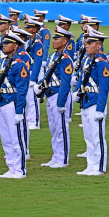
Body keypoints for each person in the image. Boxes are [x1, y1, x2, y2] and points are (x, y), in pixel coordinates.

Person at [0, 32, 29, 178]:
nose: (4, 45)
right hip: (2, 101)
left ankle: (19, 170)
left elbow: (22, 90)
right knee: (6, 139)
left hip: (12, 103)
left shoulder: (20, 65)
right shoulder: (3, 62)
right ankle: (11, 167)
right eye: (4, 42)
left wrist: (19, 111)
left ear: (16, 46)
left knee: (16, 138)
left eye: (8, 43)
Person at [35, 26, 74, 168]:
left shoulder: (65, 59)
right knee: (54, 129)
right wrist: (39, 86)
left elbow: (65, 83)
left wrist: (61, 102)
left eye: (57, 39)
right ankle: (56, 156)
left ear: (64, 41)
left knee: (61, 129)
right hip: (50, 94)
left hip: (59, 95)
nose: (53, 41)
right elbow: (47, 77)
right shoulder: (53, 57)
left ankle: (63, 159)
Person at [75, 28, 109, 176]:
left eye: (90, 43)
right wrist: (76, 93)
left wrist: (100, 109)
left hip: (96, 103)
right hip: (86, 102)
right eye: (86, 42)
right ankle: (91, 165)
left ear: (98, 45)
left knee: (97, 138)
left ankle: (99, 167)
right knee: (88, 137)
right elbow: (82, 79)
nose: (86, 45)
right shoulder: (86, 60)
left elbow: (104, 89)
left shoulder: (102, 64)